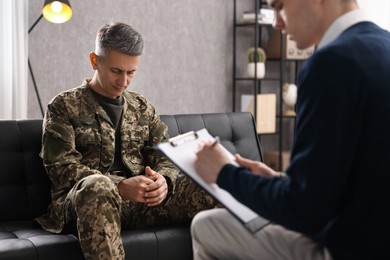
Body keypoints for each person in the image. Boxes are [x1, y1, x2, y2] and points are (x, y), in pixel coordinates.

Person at [192, 0, 390, 259]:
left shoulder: (331, 63)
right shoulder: (383, 46)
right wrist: (278, 182)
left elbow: (304, 212)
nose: (277, 22)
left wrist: (224, 172)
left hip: (353, 249)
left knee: (207, 226)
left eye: (280, 6)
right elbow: (353, 183)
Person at [36, 21, 218, 260]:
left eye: (131, 72)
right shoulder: (63, 107)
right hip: (84, 204)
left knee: (215, 183)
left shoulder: (143, 108)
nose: (124, 81)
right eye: (116, 71)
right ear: (95, 61)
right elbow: (62, 169)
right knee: (97, 186)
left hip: (140, 204)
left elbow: (165, 157)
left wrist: (165, 181)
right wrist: (119, 186)